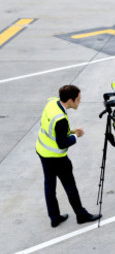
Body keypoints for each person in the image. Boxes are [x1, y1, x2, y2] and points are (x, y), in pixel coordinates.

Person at [36, 85, 101, 228]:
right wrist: (76, 136)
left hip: (42, 151)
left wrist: (70, 130)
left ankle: (54, 217)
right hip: (56, 157)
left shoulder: (52, 103)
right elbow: (61, 143)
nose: (79, 101)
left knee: (49, 185)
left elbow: (51, 127)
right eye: (78, 99)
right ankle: (81, 215)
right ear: (70, 100)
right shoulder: (61, 119)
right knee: (70, 186)